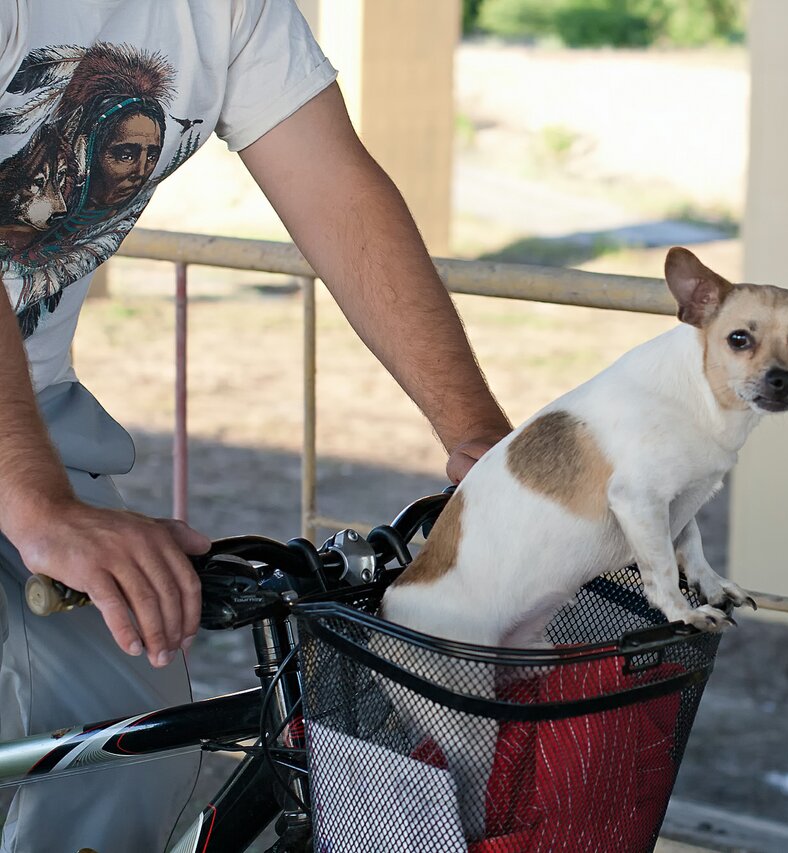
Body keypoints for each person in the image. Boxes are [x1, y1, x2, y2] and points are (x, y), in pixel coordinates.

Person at [0, 2, 512, 849]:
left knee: (127, 750)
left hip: (33, 414)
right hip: (24, 457)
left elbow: (336, 193)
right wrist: (37, 504)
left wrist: (484, 446)